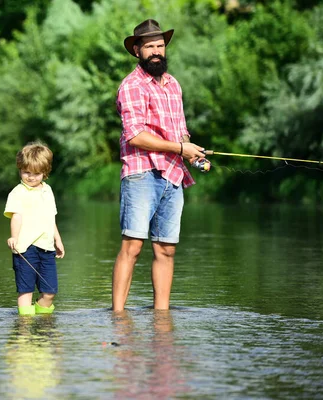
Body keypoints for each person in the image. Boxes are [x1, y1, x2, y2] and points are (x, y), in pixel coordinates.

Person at [112, 19, 206, 311]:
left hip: (173, 175)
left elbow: (181, 129)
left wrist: (191, 152)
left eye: (160, 46)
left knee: (166, 249)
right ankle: (117, 315)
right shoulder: (131, 86)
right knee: (133, 247)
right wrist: (180, 147)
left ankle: (162, 316)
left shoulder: (173, 84)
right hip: (141, 173)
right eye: (150, 46)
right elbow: (136, 136)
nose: (156, 51)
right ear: (137, 50)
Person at [4, 142, 65, 315]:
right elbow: (16, 216)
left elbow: (50, 217)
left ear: (45, 172)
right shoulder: (18, 193)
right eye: (26, 172)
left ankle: (43, 324)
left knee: (50, 291)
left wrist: (58, 239)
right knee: (26, 290)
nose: (31, 177)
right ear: (20, 169)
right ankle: (24, 328)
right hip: (25, 248)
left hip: (46, 248)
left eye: (36, 173)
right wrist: (13, 237)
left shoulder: (48, 191)